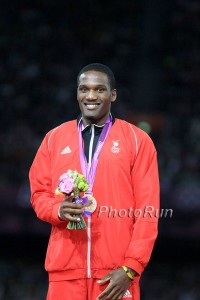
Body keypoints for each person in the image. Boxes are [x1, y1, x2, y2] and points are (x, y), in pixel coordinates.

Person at [29, 63, 160, 300]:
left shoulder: (137, 141)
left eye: (99, 89)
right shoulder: (54, 139)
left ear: (113, 94)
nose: (90, 96)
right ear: (77, 93)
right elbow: (39, 194)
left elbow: (148, 210)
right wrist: (56, 209)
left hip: (115, 275)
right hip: (65, 271)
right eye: (84, 89)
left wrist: (130, 269)